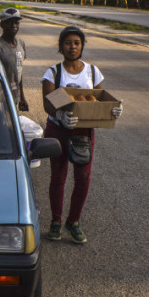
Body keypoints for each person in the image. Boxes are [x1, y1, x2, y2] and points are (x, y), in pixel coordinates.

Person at [41, 26, 122, 244]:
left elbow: (100, 98)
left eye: (77, 42)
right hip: (58, 129)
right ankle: (56, 222)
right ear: (61, 46)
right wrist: (60, 114)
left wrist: (112, 110)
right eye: (68, 42)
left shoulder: (93, 72)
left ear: (82, 45)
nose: (73, 46)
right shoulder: (54, 73)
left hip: (83, 132)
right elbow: (48, 103)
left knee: (83, 178)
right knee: (58, 177)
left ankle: (73, 222)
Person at [0, 7, 28, 112]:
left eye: (16, 22)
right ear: (2, 25)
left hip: (14, 97)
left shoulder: (21, 44)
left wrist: (22, 97)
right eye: (9, 22)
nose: (13, 25)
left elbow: (19, 71)